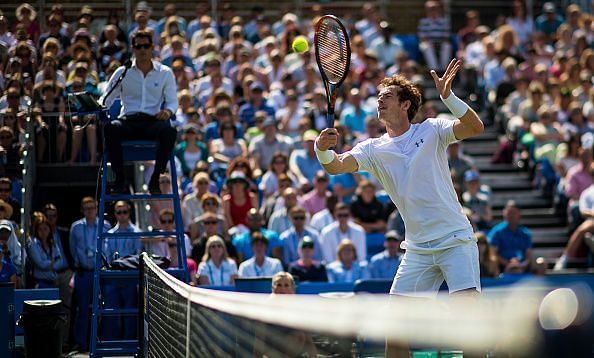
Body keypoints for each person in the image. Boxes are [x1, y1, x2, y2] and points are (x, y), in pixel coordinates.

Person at [315, 59, 484, 354]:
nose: (379, 100)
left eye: (387, 96)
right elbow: (336, 167)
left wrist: (448, 97)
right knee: (394, 334)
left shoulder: (432, 130)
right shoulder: (372, 149)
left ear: (405, 105)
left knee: (469, 328)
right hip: (417, 250)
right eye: (378, 97)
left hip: (455, 240)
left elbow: (474, 127)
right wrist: (321, 150)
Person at [101, 30, 178, 194]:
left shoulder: (165, 73)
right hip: (128, 121)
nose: (142, 50)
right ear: (133, 49)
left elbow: (172, 101)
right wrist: (94, 108)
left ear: (152, 48)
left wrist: (168, 111)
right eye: (138, 46)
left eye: (146, 46)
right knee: (111, 128)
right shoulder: (123, 72)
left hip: (152, 122)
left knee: (169, 132)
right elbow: (106, 99)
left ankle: (155, 178)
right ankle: (120, 178)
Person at [69, 197, 110, 352]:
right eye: (86, 208)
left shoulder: (105, 225)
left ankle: (102, 342)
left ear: (97, 208)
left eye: (92, 208)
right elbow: (72, 248)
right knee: (82, 309)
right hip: (83, 272)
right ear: (82, 210)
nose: (89, 211)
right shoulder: (76, 227)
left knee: (102, 308)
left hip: (100, 273)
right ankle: (81, 343)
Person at [102, 200, 142, 341]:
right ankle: (113, 340)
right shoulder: (110, 233)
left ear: (129, 212)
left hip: (130, 277)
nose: (122, 215)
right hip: (115, 276)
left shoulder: (137, 232)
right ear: (115, 214)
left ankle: (129, 340)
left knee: (130, 312)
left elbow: (138, 255)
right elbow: (107, 256)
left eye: (125, 212)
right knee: (112, 310)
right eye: (119, 212)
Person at [488, 200, 532, 274]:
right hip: (502, 266)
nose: (511, 216)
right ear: (504, 214)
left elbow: (528, 256)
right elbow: (492, 253)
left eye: (513, 213)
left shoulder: (525, 233)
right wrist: (508, 263)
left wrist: (521, 264)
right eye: (509, 213)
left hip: (521, 266)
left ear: (519, 215)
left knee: (540, 264)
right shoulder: (497, 231)